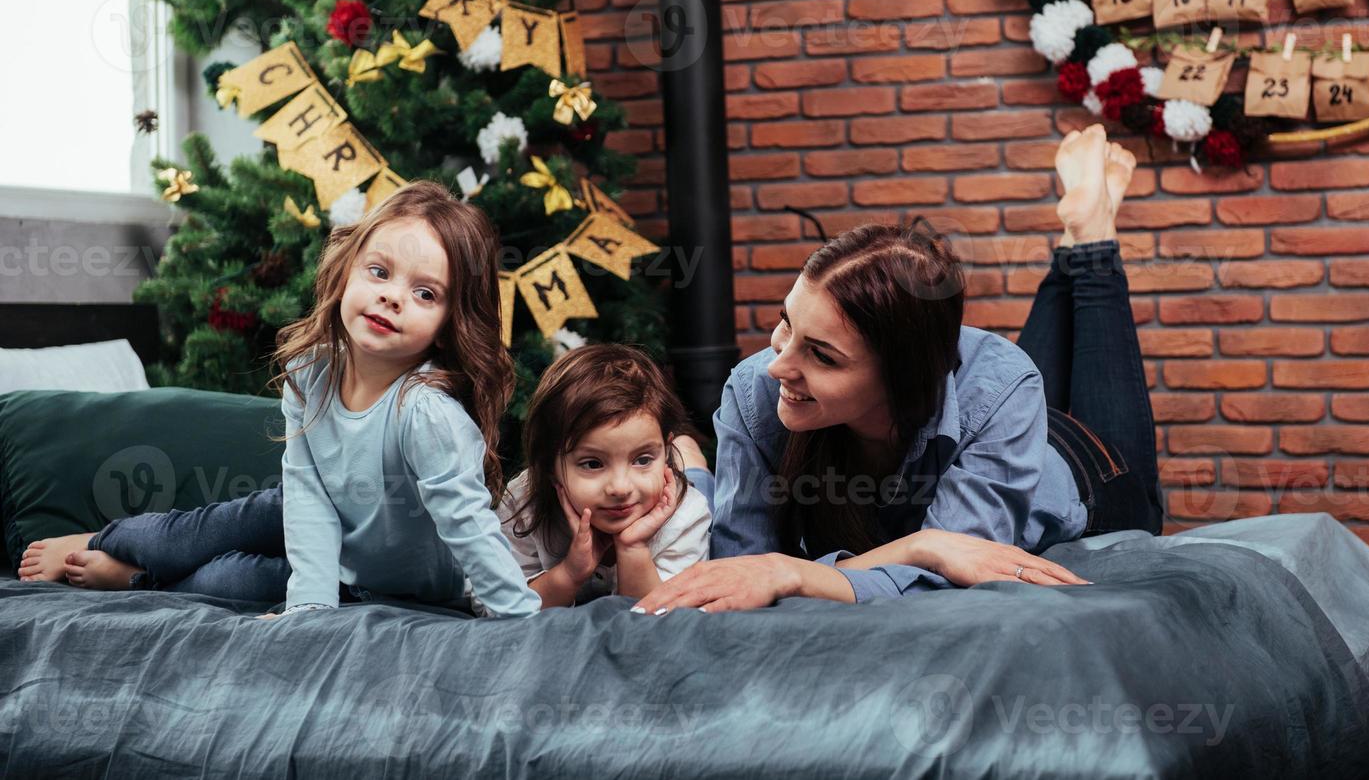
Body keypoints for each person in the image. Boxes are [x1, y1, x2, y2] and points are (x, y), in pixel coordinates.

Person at [640, 123, 1162, 614]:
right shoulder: (755, 392)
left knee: (1026, 388)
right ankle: (1078, 236)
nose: (779, 366)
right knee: (1004, 377)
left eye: (822, 355)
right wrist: (921, 546)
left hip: (1083, 472)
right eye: (785, 324)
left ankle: (1092, 235)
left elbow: (948, 577)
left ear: (899, 378)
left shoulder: (1002, 387)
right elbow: (743, 570)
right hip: (989, 414)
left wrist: (793, 572)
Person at [20, 181, 540, 620]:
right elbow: (310, 495)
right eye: (378, 272)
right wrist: (309, 603)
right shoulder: (312, 371)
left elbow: (468, 525)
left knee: (229, 581)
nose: (392, 296)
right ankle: (105, 539)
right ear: (346, 272)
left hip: (379, 581)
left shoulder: (426, 412)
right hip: (304, 510)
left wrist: (516, 618)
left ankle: (130, 577)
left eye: (425, 293)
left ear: (451, 324)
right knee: (183, 538)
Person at [496, 343, 711, 608]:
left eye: (642, 459)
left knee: (699, 479)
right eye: (593, 464)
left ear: (664, 452)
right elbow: (498, 606)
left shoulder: (686, 512)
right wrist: (570, 573)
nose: (620, 488)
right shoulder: (522, 504)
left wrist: (633, 548)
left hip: (685, 479)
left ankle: (687, 454)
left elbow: (660, 620)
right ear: (550, 466)